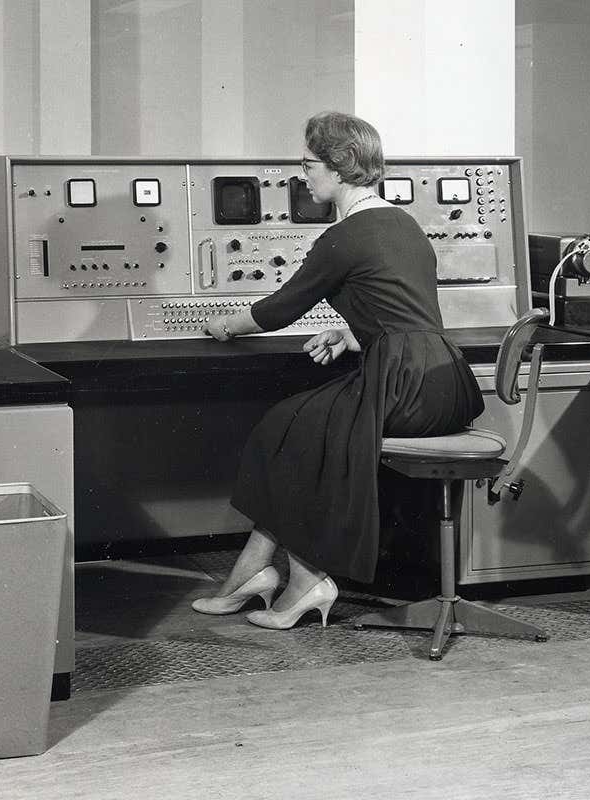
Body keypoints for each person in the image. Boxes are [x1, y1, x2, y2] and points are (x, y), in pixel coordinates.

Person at [195, 111, 484, 629]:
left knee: (287, 429)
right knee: (294, 427)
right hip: (446, 381)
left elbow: (278, 310)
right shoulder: (404, 224)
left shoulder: (343, 237)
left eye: (309, 165)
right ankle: (254, 574)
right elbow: (409, 313)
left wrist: (222, 325)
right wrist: (352, 333)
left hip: (403, 386)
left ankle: (303, 580)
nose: (302, 176)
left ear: (340, 166)